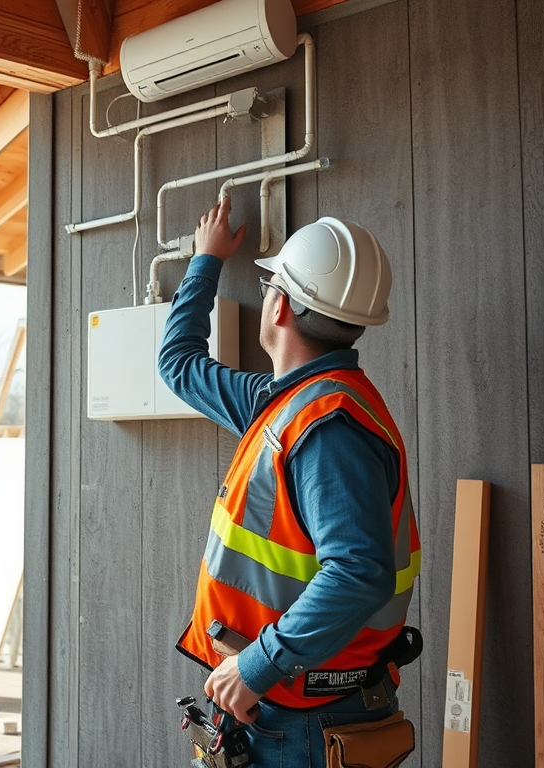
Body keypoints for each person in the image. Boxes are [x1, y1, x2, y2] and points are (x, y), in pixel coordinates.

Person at [158, 197, 422, 766]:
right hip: (290, 704)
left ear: (278, 306)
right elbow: (177, 363)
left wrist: (256, 666)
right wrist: (206, 260)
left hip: (306, 717)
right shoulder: (278, 404)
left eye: (271, 283)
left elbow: (358, 573)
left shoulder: (329, 427)